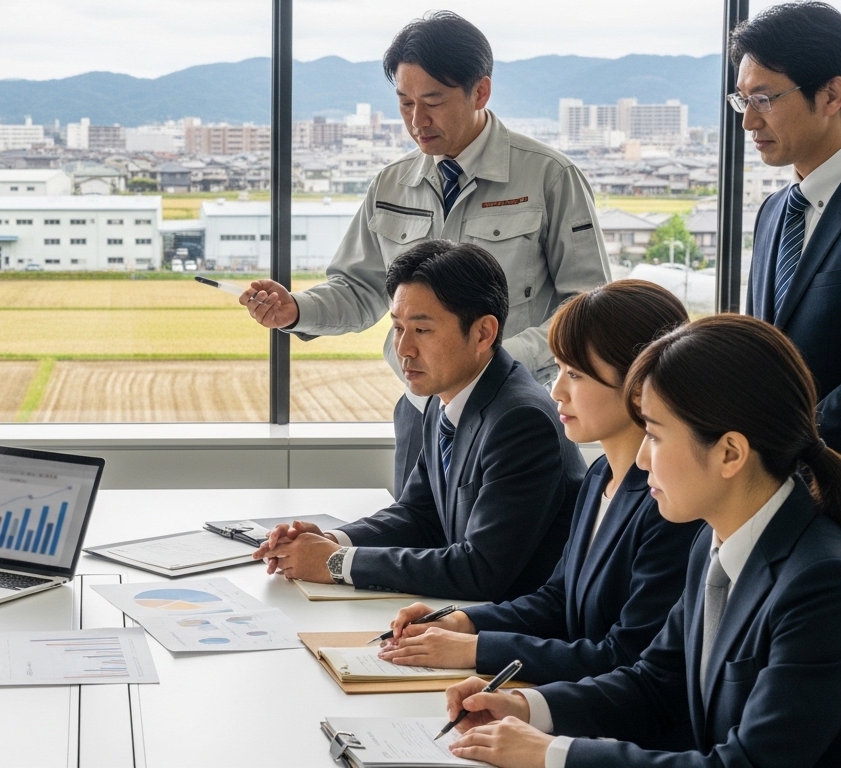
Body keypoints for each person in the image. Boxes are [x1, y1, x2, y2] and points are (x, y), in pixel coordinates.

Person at [441, 314, 841, 768]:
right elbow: (655, 683)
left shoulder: (820, 584)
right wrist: (527, 707)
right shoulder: (713, 543)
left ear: (730, 453)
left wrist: (553, 753)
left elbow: (746, 764)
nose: (644, 459)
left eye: (654, 434)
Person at [239, 11, 608, 495]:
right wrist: (295, 309)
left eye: (433, 101)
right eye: (405, 103)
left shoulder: (549, 177)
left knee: (504, 542)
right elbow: (359, 289)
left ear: (480, 92)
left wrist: (498, 359)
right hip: (421, 412)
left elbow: (587, 305)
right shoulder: (391, 184)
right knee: (409, 536)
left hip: (513, 411)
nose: (417, 121)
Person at [377, 282, 701, 705]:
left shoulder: (669, 504)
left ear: (640, 385)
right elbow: (556, 599)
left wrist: (476, 650)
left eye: (575, 375)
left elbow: (624, 656)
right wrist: (463, 622)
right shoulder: (600, 475)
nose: (556, 391)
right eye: (560, 370)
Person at [253, 240, 584, 601]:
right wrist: (331, 541)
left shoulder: (521, 421)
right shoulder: (445, 398)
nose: (403, 349)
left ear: (483, 333)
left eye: (422, 330)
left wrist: (337, 562)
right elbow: (419, 514)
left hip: (514, 623)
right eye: (398, 328)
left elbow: (481, 570)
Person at [736, 2, 841, 450]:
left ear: (831, 95)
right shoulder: (775, 210)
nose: (748, 120)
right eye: (743, 100)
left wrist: (792, 438)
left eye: (763, 99)